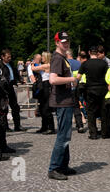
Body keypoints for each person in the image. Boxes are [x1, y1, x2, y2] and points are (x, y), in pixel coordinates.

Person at [48, 31, 78, 181]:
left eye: (67, 41)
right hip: (62, 101)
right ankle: (54, 168)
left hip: (66, 100)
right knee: (63, 135)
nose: (66, 44)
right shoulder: (57, 58)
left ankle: (63, 165)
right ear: (57, 42)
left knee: (66, 135)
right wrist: (72, 79)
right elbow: (52, 80)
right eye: (63, 42)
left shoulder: (62, 58)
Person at [77, 47, 108, 139]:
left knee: (91, 112)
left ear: (89, 52)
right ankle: (104, 133)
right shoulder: (104, 63)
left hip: (90, 89)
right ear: (97, 53)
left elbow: (78, 77)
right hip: (102, 89)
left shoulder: (85, 64)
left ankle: (93, 134)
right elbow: (107, 75)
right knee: (103, 112)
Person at [0, 49, 26, 132]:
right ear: (2, 57)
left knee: (15, 107)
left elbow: (15, 73)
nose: (9, 58)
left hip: (10, 86)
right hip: (3, 88)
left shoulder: (11, 63)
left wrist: (20, 80)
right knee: (4, 108)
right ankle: (5, 127)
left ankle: (17, 125)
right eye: (7, 57)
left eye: (10, 56)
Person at [31, 52, 55, 134]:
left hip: (46, 86)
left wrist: (32, 63)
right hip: (44, 87)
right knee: (42, 108)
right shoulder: (45, 65)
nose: (41, 58)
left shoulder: (47, 65)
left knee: (46, 108)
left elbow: (33, 69)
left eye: (43, 57)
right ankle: (44, 127)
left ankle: (51, 128)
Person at [67, 49, 84, 132]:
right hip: (76, 86)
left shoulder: (65, 63)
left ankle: (66, 126)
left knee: (66, 107)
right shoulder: (78, 63)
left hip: (67, 87)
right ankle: (79, 125)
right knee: (76, 106)